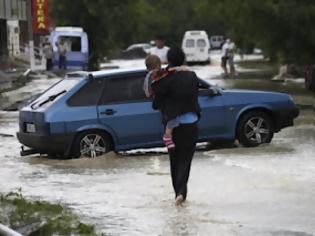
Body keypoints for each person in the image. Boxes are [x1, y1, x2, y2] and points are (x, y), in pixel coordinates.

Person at [152, 47, 201, 205]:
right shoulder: (192, 76)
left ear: (169, 60)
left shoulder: (166, 79)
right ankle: (181, 193)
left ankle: (178, 194)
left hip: (172, 127)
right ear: (183, 59)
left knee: (175, 160)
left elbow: (156, 103)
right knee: (185, 161)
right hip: (191, 124)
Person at [144, 54, 188, 149]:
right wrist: (181, 69)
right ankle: (167, 136)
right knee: (173, 116)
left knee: (171, 118)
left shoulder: (148, 76)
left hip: (158, 100)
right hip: (161, 101)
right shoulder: (155, 74)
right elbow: (168, 73)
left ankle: (168, 136)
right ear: (158, 64)